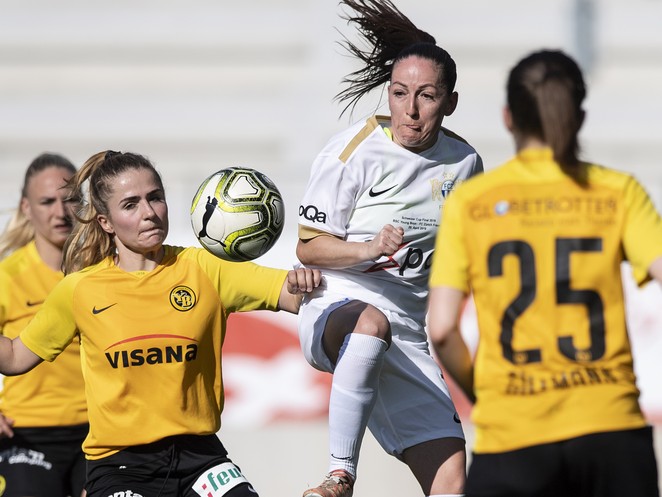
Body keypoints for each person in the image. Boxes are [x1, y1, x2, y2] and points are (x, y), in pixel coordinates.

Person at [0, 150, 321, 497]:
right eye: (131, 205)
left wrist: (307, 283)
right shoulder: (78, 290)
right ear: (105, 222)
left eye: (155, 198)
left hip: (200, 459)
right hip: (120, 467)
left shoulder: (205, 268)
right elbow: (15, 357)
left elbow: (294, 296)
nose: (149, 213)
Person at [427, 49, 662, 497]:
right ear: (580, 117)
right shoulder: (618, 192)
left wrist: (487, 395)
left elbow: (441, 330)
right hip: (611, 431)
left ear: (507, 118)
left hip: (513, 437)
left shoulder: (471, 203)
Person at [296, 1, 483, 496]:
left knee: (452, 479)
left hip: (408, 331)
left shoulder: (465, 164)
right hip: (338, 305)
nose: (411, 110)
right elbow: (309, 248)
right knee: (370, 323)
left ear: (450, 102)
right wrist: (367, 250)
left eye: (426, 95)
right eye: (400, 93)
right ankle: (340, 476)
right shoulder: (352, 152)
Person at [0, 153, 88, 497]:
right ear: (26, 207)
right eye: (47, 201)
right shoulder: (8, 276)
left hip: (102, 430)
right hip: (26, 431)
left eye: (69, 200)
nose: (60, 212)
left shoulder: (105, 272)